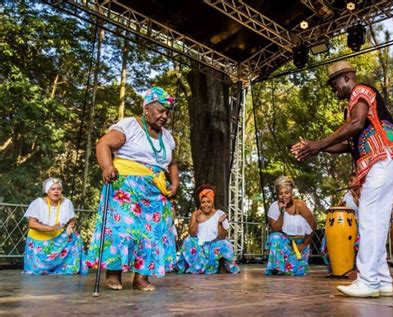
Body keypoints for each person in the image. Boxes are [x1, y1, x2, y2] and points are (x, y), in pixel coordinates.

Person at [291, 61, 393, 297]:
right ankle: (381, 280)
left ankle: (367, 280)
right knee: (376, 219)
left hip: (383, 156)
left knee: (368, 216)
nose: (332, 89)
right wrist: (316, 148)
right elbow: (348, 143)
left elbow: (356, 123)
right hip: (390, 158)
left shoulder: (361, 91)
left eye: (334, 83)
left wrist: (319, 144)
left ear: (347, 77)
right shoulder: (353, 106)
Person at [86, 86, 179, 291]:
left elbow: (172, 163)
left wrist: (175, 183)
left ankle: (141, 278)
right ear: (146, 109)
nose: (164, 116)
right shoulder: (130, 125)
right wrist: (107, 166)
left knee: (153, 233)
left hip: (154, 191)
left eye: (167, 112)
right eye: (160, 111)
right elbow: (103, 144)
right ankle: (113, 274)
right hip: (126, 187)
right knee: (124, 230)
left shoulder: (167, 138)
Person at [23, 177, 88, 275]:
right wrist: (50, 228)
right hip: (40, 238)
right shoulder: (38, 203)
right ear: (47, 191)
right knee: (35, 271)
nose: (56, 191)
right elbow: (32, 223)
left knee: (75, 236)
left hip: (58, 236)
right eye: (53, 189)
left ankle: (68, 267)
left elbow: (72, 220)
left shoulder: (67, 203)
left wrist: (70, 226)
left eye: (58, 189)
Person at [176, 185, 240, 274]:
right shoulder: (196, 213)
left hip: (214, 244)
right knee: (188, 241)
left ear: (212, 202)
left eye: (208, 201)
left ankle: (221, 265)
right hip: (200, 244)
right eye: (203, 202)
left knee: (225, 243)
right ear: (200, 203)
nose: (206, 204)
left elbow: (222, 236)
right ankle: (193, 265)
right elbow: (192, 234)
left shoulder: (220, 213)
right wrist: (197, 222)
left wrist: (220, 223)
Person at [265, 176, 316, 276]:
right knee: (275, 237)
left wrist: (304, 244)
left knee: (298, 272)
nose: (284, 196)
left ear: (291, 192)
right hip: (285, 243)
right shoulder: (274, 207)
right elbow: (276, 229)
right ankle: (278, 267)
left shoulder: (300, 205)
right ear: (277, 195)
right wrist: (282, 212)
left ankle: (291, 265)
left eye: (286, 193)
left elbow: (313, 225)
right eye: (280, 193)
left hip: (300, 244)